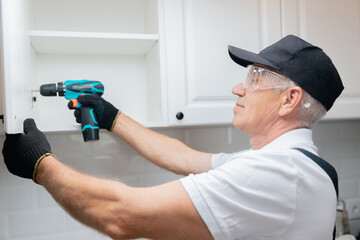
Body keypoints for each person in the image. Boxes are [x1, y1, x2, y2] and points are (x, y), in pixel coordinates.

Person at [2, 35, 344, 240]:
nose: (238, 88)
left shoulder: (278, 174)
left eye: (255, 78)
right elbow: (184, 158)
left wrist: (40, 165)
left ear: (289, 100)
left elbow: (118, 216)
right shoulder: (298, 165)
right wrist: (112, 117)